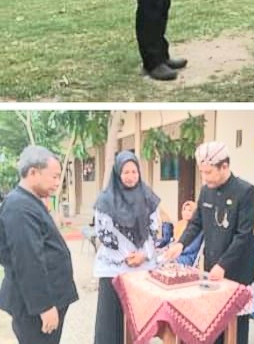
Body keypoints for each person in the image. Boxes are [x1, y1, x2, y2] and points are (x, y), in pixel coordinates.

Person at [164, 142, 254, 344]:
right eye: (201, 173)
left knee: (235, 330)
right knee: (213, 327)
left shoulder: (246, 191)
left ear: (224, 166)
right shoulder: (206, 190)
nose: (205, 178)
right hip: (212, 269)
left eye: (209, 172)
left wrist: (223, 264)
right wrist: (180, 244)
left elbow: (243, 235)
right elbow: (196, 223)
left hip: (236, 271)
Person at [0, 146, 78, 344]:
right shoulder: (19, 208)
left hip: (47, 299)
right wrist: (43, 306)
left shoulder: (30, 202)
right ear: (33, 172)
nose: (57, 183)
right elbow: (28, 260)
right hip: (35, 308)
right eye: (54, 177)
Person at [93, 151, 160, 344]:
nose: (131, 176)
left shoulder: (148, 196)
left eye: (134, 172)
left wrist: (143, 254)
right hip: (114, 268)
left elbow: (154, 230)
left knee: (137, 319)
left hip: (141, 267)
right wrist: (126, 256)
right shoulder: (106, 199)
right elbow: (104, 233)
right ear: (117, 174)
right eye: (126, 172)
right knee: (111, 321)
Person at [173, 200, 203, 266]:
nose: (186, 212)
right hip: (177, 254)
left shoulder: (196, 229)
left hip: (188, 257)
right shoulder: (179, 224)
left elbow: (190, 249)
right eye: (184, 210)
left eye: (190, 210)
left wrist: (175, 251)